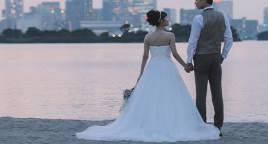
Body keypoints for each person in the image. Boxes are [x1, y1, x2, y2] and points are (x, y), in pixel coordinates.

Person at [76, 10, 220, 142]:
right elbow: (175, 54)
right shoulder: (170, 35)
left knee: (150, 97)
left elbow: (145, 56)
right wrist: (186, 66)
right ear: (162, 21)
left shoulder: (148, 37)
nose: (168, 20)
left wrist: (141, 74)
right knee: (170, 96)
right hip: (167, 67)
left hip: (152, 67)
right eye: (166, 18)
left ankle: (152, 121)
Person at [185, 0, 233, 137]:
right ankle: (218, 127)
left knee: (201, 95)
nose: (195, 2)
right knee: (217, 94)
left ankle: (202, 126)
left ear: (204, 0)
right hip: (215, 58)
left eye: (196, 0)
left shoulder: (199, 18)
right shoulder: (223, 16)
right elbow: (229, 39)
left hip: (201, 58)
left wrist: (188, 61)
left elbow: (193, 42)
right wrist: (222, 56)